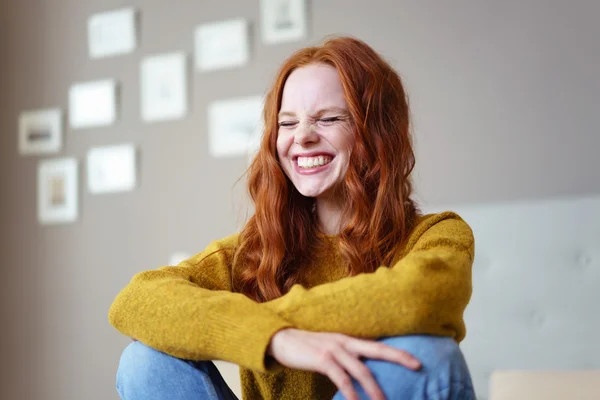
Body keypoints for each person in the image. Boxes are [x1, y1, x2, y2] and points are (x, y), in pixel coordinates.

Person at [109, 36, 476, 400]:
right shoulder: (256, 250)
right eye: (287, 123)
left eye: (329, 118)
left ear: (378, 133)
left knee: (429, 356)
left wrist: (273, 321)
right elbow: (136, 299)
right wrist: (274, 339)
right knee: (144, 361)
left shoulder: (438, 235)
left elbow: (419, 298)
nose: (302, 137)